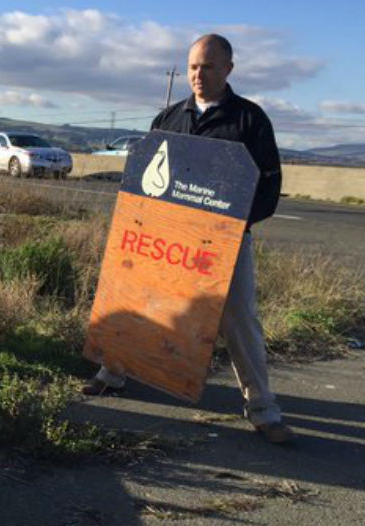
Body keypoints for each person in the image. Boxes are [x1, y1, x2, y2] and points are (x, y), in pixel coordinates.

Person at [82, 34, 294, 444]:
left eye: (208, 67)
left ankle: (264, 409)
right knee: (143, 301)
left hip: (225, 246)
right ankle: (114, 372)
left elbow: (269, 189)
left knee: (238, 318)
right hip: (165, 241)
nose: (199, 75)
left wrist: (231, 229)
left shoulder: (249, 121)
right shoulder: (169, 119)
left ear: (228, 69)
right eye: (194, 66)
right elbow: (145, 183)